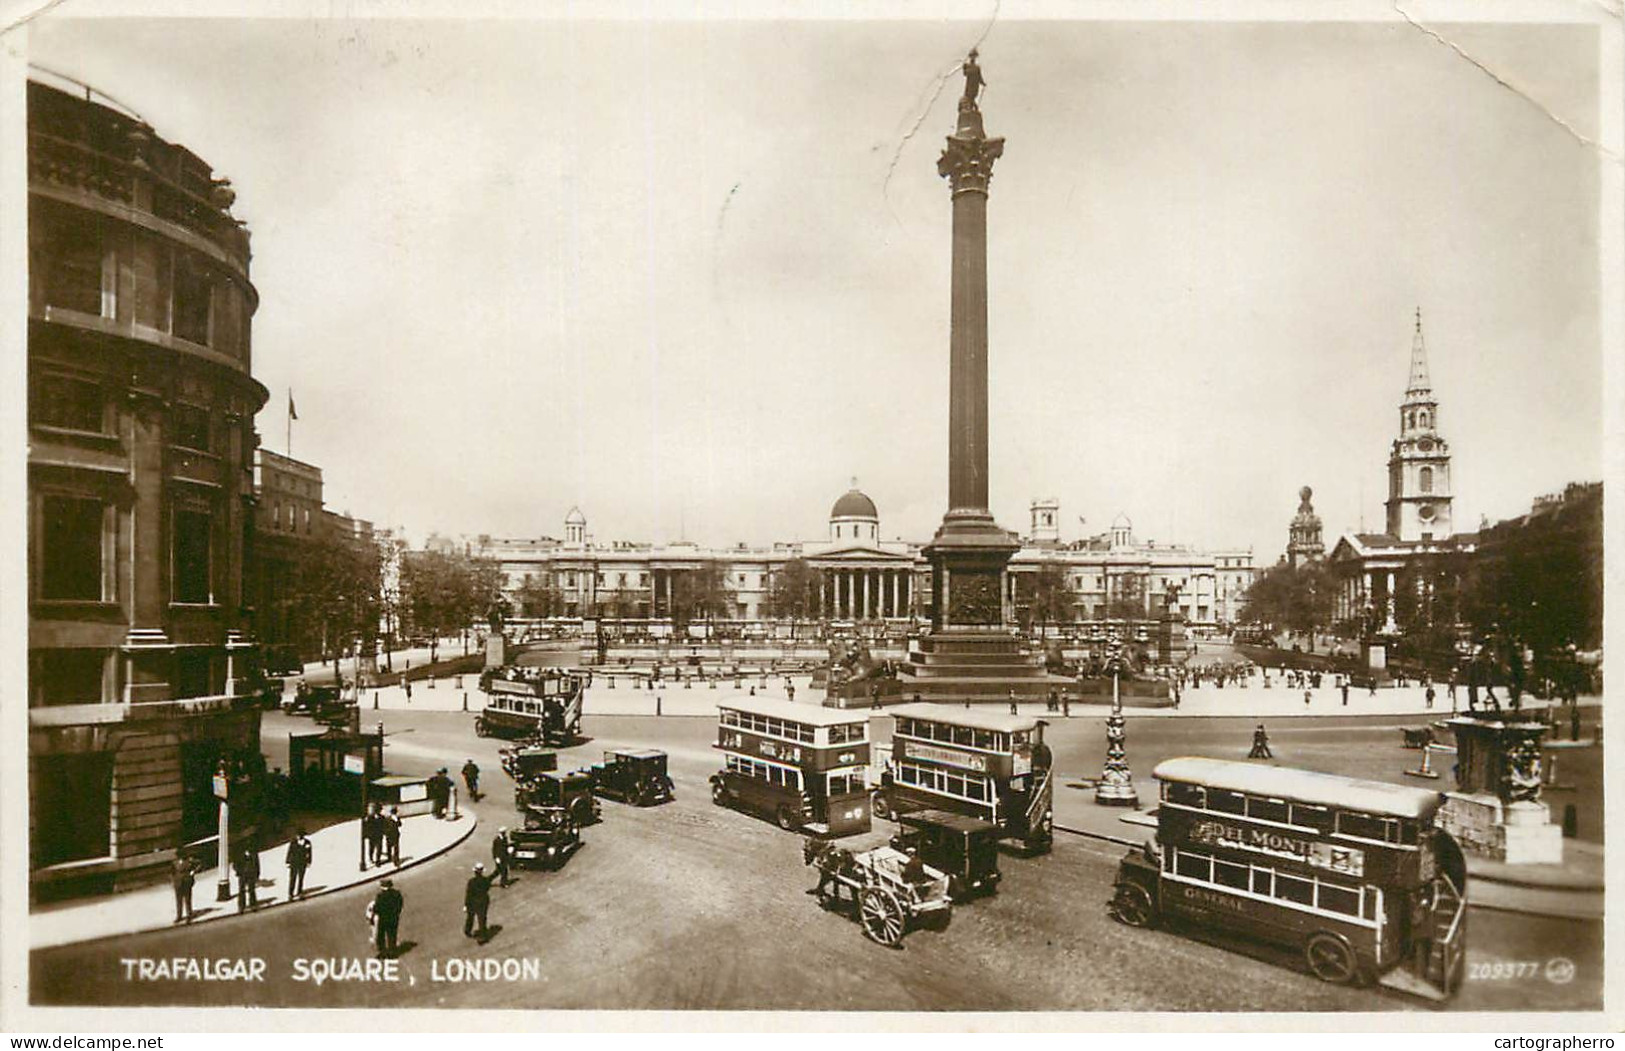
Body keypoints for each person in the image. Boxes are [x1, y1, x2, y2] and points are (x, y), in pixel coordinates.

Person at [369, 878, 404, 959]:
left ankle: (382, 952)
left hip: (383, 919)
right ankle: (392, 952)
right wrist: (396, 913)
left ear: (382, 886)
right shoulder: (397, 894)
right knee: (392, 935)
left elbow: (377, 908)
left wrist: (373, 915)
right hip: (393, 918)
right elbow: (400, 904)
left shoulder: (380, 896)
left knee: (381, 936)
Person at [464, 863, 493, 938]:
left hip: (473, 901)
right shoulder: (485, 881)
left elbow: (468, 894)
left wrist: (466, 905)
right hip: (483, 901)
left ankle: (467, 930)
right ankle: (482, 935)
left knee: (470, 917)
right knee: (482, 918)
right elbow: (487, 888)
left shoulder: (471, 882)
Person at [286, 829, 313, 898]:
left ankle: (299, 891)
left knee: (301, 878)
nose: (299, 837)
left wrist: (309, 861)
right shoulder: (293, 842)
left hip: (302, 862)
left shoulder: (307, 842)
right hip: (294, 862)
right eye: (298, 835)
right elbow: (289, 852)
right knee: (293, 878)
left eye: (301, 835)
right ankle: (290, 893)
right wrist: (288, 862)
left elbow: (309, 853)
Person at [234, 844, 260, 912]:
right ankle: (241, 906)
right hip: (242, 874)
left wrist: (257, 874)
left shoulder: (253, 853)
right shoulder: (239, 853)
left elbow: (256, 864)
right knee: (241, 890)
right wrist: (238, 871)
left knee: (251, 889)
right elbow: (235, 864)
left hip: (251, 873)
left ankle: (253, 905)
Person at [171, 853, 196, 923]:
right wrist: (174, 880)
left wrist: (192, 873)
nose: (180, 857)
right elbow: (172, 872)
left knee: (187, 900)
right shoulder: (174, 862)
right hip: (178, 883)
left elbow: (196, 866)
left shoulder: (188, 861)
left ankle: (189, 915)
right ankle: (179, 916)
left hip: (186, 882)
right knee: (179, 901)